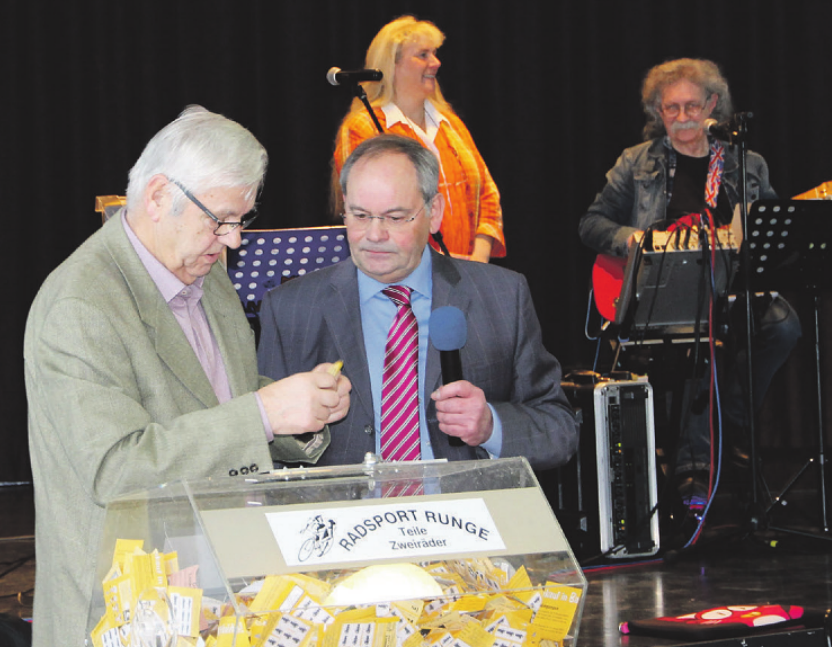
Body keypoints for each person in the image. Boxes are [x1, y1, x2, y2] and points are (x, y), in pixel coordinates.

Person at [23, 106, 351, 647]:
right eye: (220, 219)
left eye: (241, 220)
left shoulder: (204, 273)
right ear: (157, 197)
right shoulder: (80, 304)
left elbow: (211, 403)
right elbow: (116, 468)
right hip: (123, 612)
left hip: (216, 592)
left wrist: (297, 415)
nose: (234, 241)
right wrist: (264, 413)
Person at [259, 134, 578, 469]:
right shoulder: (291, 309)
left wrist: (490, 426)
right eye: (360, 215)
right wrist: (299, 422)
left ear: (434, 211)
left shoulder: (502, 297)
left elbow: (559, 429)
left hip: (464, 513)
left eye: (395, 217)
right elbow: (264, 448)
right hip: (346, 514)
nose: (375, 235)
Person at [578, 58, 801, 505]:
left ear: (713, 105)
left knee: (784, 326)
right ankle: (692, 468)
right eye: (670, 109)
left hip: (733, 285)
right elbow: (591, 224)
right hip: (662, 292)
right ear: (657, 112)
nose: (681, 118)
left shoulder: (745, 164)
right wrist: (635, 238)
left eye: (692, 107)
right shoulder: (636, 163)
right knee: (705, 330)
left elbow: (775, 229)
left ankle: (730, 423)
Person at [332, 15, 505, 263]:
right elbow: (371, 208)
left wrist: (478, 259)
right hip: (402, 274)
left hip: (468, 271)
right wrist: (436, 263)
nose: (436, 62)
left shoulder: (451, 124)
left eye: (434, 53)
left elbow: (487, 195)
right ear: (392, 65)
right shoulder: (364, 127)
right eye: (423, 55)